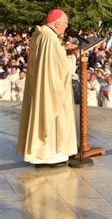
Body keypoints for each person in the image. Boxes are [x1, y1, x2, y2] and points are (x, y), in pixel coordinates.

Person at [17, 9, 77, 166]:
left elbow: (48, 61)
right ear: (57, 23)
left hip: (42, 86)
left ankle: (42, 153)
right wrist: (72, 56)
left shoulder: (41, 34)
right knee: (52, 118)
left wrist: (62, 48)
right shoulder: (50, 39)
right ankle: (51, 156)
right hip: (51, 89)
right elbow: (60, 68)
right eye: (65, 23)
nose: (66, 26)